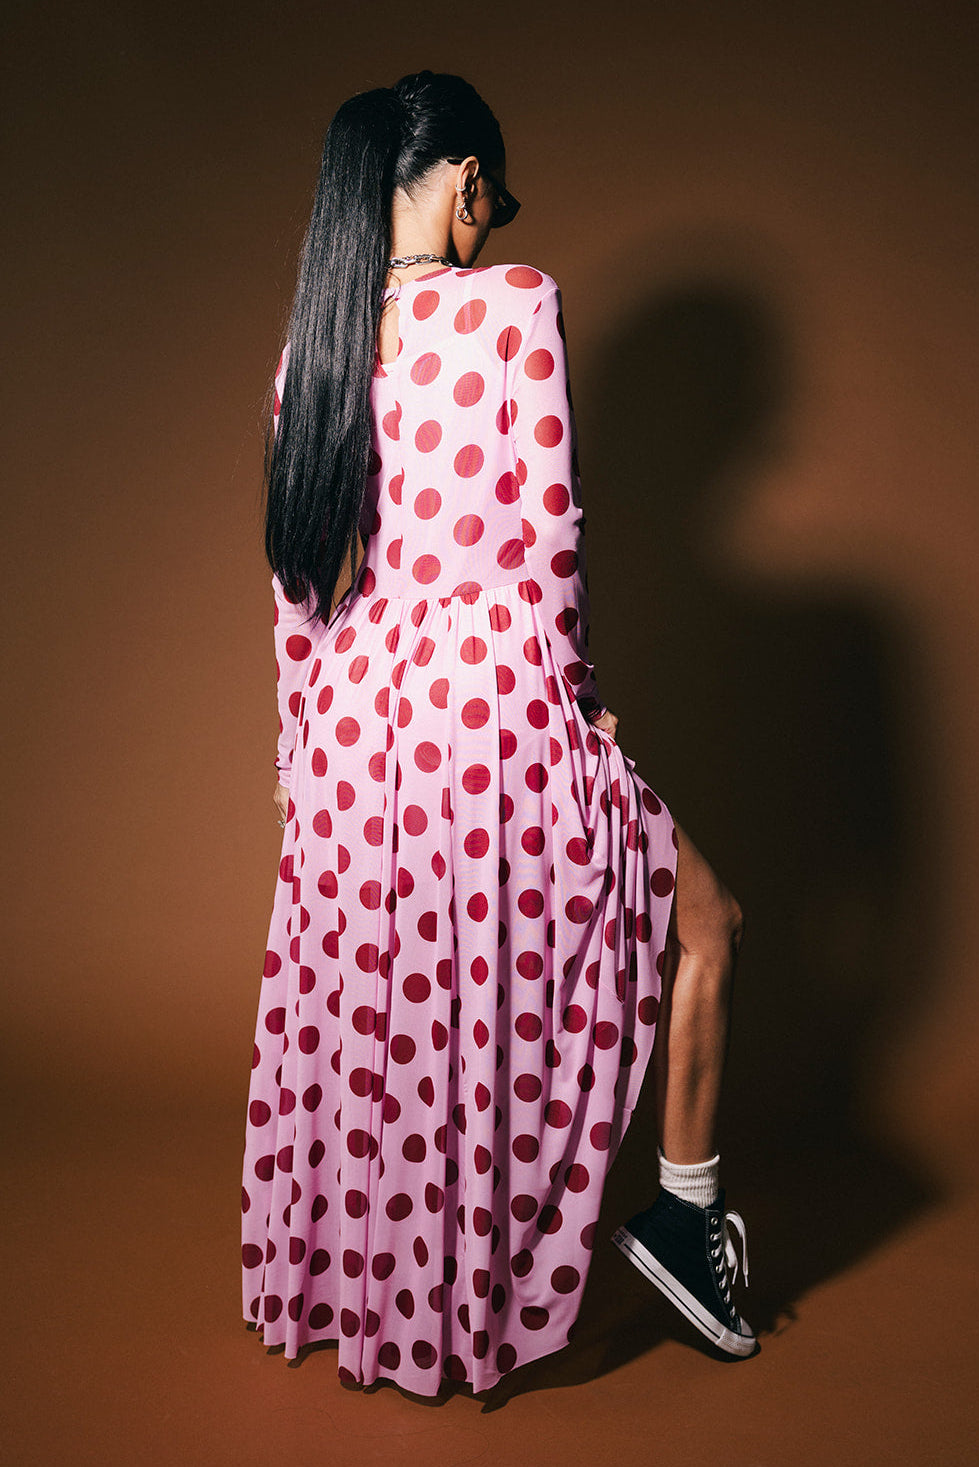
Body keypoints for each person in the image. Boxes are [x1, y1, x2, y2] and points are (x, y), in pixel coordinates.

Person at [241, 69, 754, 1397]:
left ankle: (387, 1296)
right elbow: (548, 538)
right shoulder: (514, 303)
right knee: (703, 923)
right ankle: (684, 1222)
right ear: (468, 182)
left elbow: (299, 592)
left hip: (353, 722)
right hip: (489, 696)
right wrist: (574, 700)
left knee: (398, 1014)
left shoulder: (311, 352)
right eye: (493, 202)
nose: (492, 228)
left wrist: (301, 764)